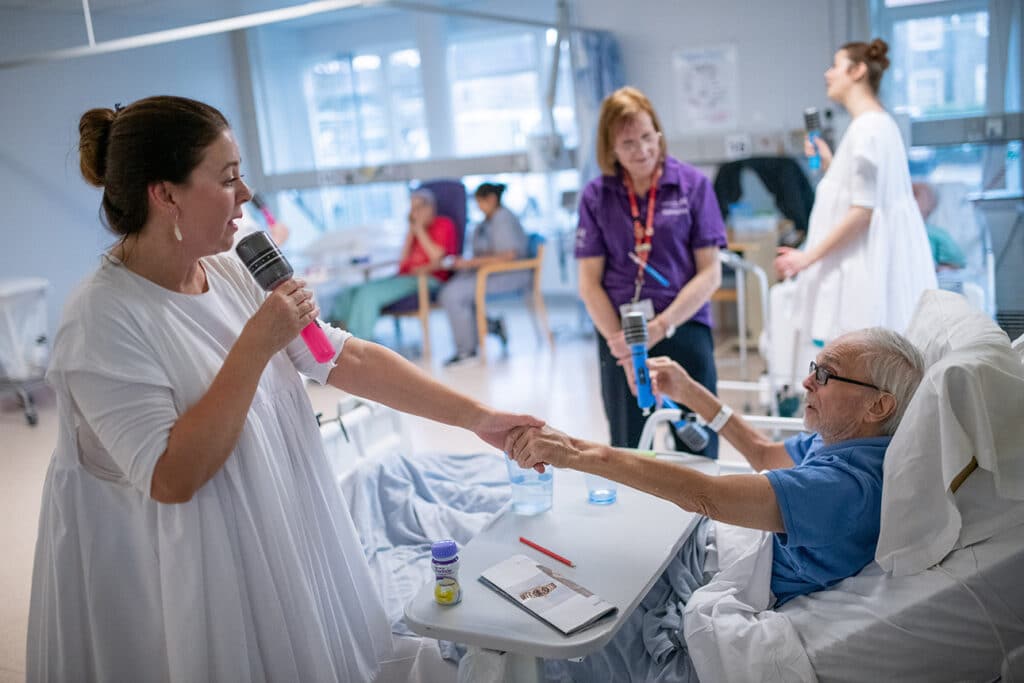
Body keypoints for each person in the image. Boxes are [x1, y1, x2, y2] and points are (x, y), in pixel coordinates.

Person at [27, 96, 542, 682]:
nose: (246, 194)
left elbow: (338, 357)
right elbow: (171, 477)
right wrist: (257, 342)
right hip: (173, 565)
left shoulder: (238, 252)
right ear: (164, 194)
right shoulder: (101, 318)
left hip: (271, 513)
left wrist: (477, 417)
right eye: (227, 179)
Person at [506, 327, 925, 680]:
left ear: (879, 404)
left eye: (826, 375)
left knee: (559, 587)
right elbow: (763, 454)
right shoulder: (847, 441)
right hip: (709, 543)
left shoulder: (846, 489)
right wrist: (690, 392)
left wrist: (575, 452)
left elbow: (708, 496)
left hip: (710, 565)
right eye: (814, 368)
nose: (807, 383)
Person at [575, 86, 727, 455]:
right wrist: (619, 343)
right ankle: (638, 512)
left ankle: (702, 510)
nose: (642, 150)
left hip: (683, 322)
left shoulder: (692, 186)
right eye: (628, 143)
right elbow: (589, 282)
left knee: (697, 439)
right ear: (610, 148)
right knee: (629, 446)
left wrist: (663, 325)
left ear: (658, 133)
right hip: (620, 333)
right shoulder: (597, 197)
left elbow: (710, 274)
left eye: (647, 137)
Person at [774, 39, 936, 351]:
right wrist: (830, 164)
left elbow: (863, 211)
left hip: (859, 271)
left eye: (836, 65)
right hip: (869, 266)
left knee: (856, 358)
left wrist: (805, 258)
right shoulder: (879, 125)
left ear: (858, 70)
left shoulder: (866, 129)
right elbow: (860, 193)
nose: (828, 74)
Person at [327, 187, 457, 341]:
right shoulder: (414, 230)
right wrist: (412, 231)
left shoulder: (444, 224)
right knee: (349, 292)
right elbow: (403, 260)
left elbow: (437, 257)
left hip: (427, 278)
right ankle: (337, 336)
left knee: (368, 294)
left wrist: (420, 230)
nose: (413, 213)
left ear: (430, 208)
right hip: (404, 277)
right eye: (411, 208)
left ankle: (360, 341)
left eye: (417, 208)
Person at [438, 182, 530, 366]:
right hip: (490, 273)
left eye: (480, 202)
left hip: (509, 274)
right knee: (455, 289)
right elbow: (487, 251)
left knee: (453, 294)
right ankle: (493, 327)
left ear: (492, 199)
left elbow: (508, 255)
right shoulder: (485, 223)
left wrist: (470, 263)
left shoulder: (503, 218)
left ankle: (467, 351)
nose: (478, 207)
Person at [911, 181, 968, 271]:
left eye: (915, 194)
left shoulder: (936, 234)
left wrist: (941, 269)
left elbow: (957, 263)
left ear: (930, 208)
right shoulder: (888, 231)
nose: (911, 200)